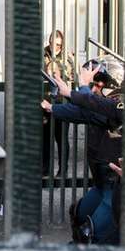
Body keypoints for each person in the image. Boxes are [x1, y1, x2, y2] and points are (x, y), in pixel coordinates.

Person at [43, 58, 124, 244]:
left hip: (116, 189)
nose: (94, 90)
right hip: (102, 184)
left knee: (92, 234)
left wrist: (81, 87)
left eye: (98, 85)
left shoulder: (121, 106)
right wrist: (53, 107)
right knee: (79, 214)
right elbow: (85, 110)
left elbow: (93, 108)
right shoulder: (104, 105)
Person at [43, 30, 73, 177]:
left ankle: (63, 171)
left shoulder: (68, 57)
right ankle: (45, 170)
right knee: (45, 139)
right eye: (52, 44)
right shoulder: (41, 55)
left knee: (61, 139)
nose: (55, 48)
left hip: (62, 103)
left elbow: (72, 79)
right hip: (44, 102)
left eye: (58, 45)